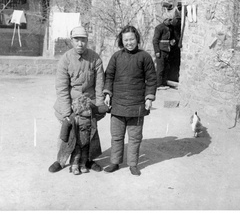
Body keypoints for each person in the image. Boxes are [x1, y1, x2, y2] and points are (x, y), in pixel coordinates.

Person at [48, 26, 106, 175]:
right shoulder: (65, 59)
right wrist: (67, 112)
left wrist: (98, 107)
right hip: (70, 104)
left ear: (87, 41)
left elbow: (99, 85)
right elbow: (61, 88)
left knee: (90, 132)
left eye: (83, 40)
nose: (80, 44)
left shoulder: (95, 58)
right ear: (71, 40)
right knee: (68, 132)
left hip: (89, 102)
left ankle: (89, 160)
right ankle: (60, 160)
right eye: (77, 40)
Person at [103, 25, 157, 176]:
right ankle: (114, 162)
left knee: (134, 137)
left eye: (132, 39)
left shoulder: (144, 57)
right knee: (117, 136)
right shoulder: (116, 57)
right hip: (118, 104)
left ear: (137, 39)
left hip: (137, 104)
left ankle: (133, 164)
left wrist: (149, 98)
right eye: (126, 40)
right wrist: (107, 94)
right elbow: (109, 76)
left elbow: (152, 79)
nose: (129, 43)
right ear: (122, 41)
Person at [152, 18, 177, 89]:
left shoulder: (171, 28)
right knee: (160, 68)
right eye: (169, 20)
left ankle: (163, 83)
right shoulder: (159, 28)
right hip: (161, 50)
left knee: (166, 67)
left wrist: (172, 42)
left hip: (167, 50)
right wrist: (157, 51)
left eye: (171, 20)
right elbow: (155, 40)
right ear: (165, 20)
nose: (170, 22)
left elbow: (171, 38)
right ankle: (158, 84)